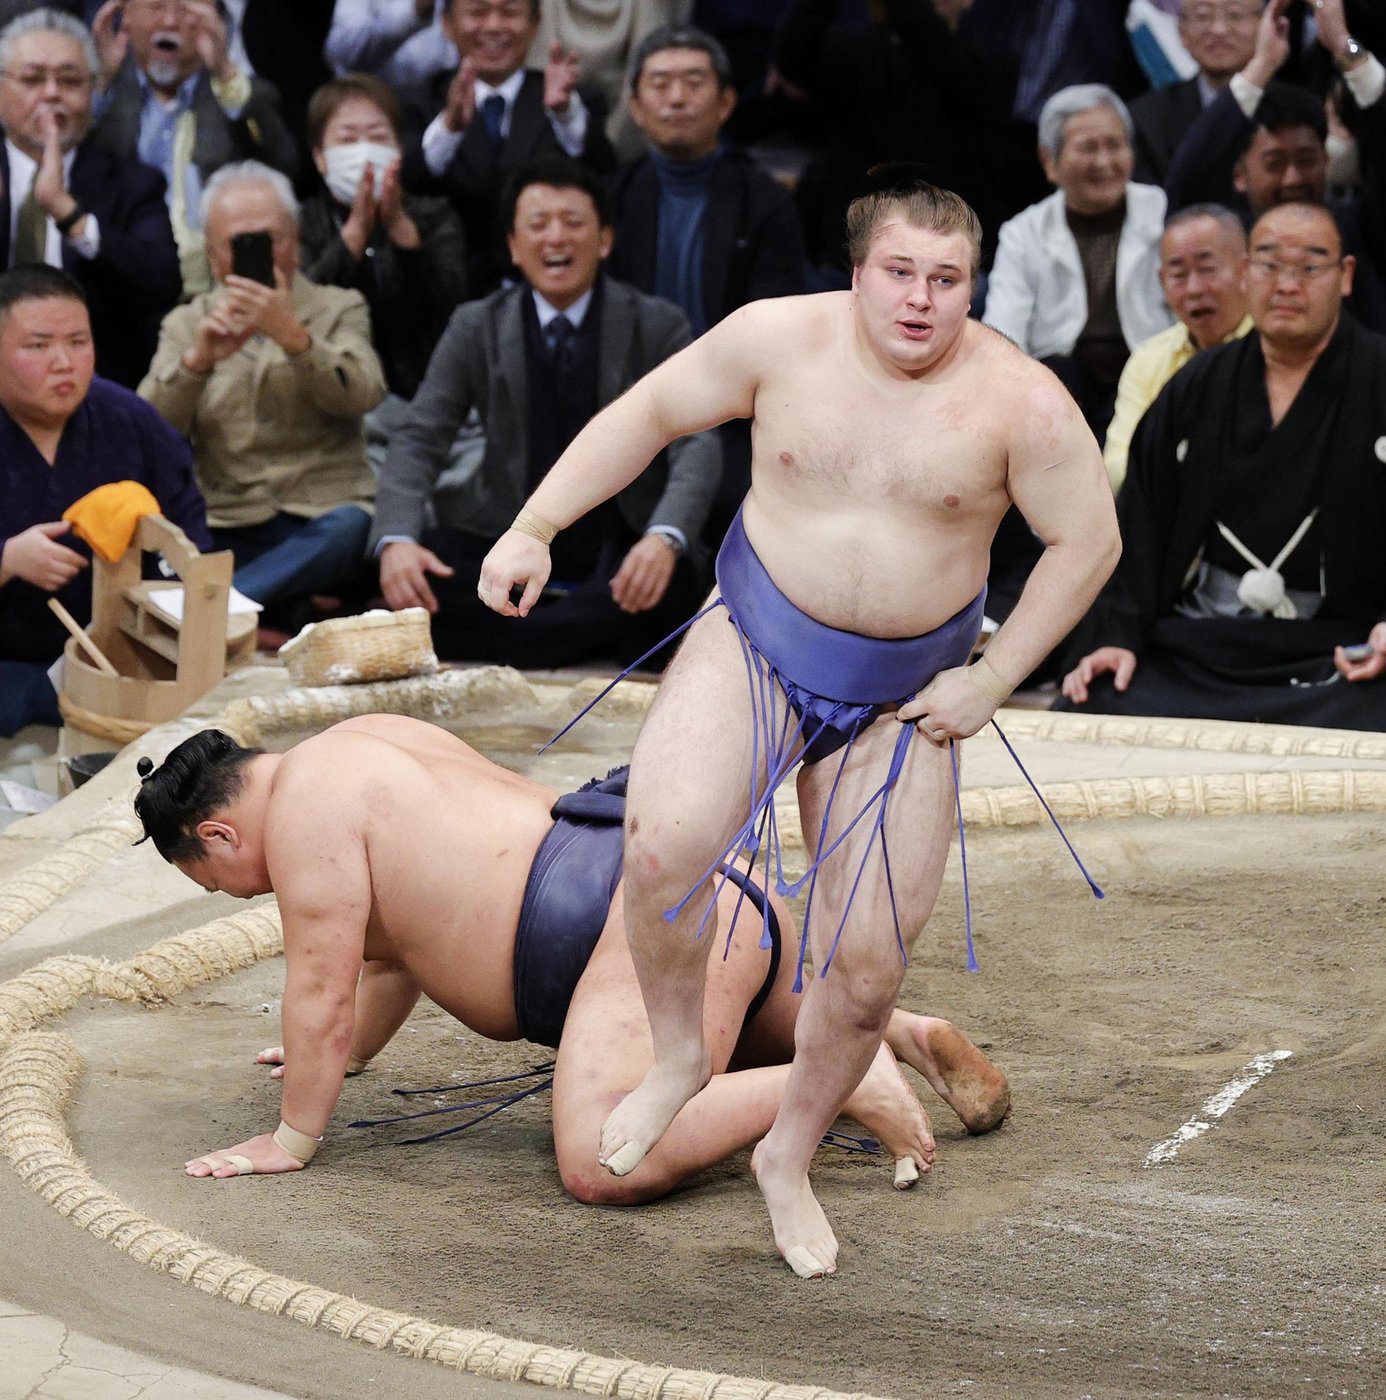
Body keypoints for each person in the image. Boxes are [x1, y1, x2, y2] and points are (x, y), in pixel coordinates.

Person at [476, 175, 1120, 1277]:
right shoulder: (778, 338)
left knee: (867, 965)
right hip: (758, 638)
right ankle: (680, 1053)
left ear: (975, 284)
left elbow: (1089, 540)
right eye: (900, 273)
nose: (921, 300)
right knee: (665, 841)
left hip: (908, 692)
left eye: (948, 279)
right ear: (858, 269)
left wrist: (997, 673)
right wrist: (535, 524)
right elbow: (648, 414)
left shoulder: (1022, 399)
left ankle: (788, 1149)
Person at [133, 718, 1011, 1202]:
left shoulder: (300, 820)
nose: (235, 894)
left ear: (216, 833)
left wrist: (291, 1137)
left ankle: (836, 1076)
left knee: (601, 1159)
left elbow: (318, 987)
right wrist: (350, 1053)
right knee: (730, 1035)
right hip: (698, 888)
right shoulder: (365, 742)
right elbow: (390, 953)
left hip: (619, 931)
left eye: (215, 879)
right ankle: (891, 1034)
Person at [373, 155, 717, 669]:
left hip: (621, 541)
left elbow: (699, 440)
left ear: (604, 240)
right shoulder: (475, 326)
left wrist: (663, 537)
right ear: (514, 247)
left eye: (573, 223)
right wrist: (395, 540)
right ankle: (582, 635)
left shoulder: (656, 325)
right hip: (509, 535)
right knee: (422, 569)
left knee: (679, 583)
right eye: (538, 225)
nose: (556, 238)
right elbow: (420, 436)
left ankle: (520, 640)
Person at [1059, 201, 1386, 729]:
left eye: (1309, 266)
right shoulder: (1196, 386)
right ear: (1245, 272)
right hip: (1204, 643)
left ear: (1345, 276)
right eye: (1270, 264)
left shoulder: (1379, 376)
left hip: (1337, 647)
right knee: (1099, 698)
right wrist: (1118, 637)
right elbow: (1140, 523)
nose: (1286, 284)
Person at [139, 161, 386, 623]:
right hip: (229, 519)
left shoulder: (339, 306)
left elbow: (364, 393)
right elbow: (148, 432)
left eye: (268, 239)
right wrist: (198, 363)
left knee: (355, 529)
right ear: (212, 257)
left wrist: (295, 339)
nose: (257, 253)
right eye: (238, 244)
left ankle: (209, 613)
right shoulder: (187, 324)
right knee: (169, 547)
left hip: (322, 514)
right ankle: (270, 607)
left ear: (294, 243)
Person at [608, 22, 804, 543]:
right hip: (625, 404)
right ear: (635, 105)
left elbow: (780, 331)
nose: (677, 97)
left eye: (694, 82)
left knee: (739, 504)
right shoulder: (615, 198)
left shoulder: (765, 202)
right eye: (660, 83)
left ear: (725, 102)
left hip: (732, 415)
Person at [0, 264, 209, 736]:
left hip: (122, 650)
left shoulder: (130, 419)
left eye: (78, 342)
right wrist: (8, 559)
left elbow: (190, 534)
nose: (63, 362)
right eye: (38, 345)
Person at [1163, 0, 1386, 327]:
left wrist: (1344, 45)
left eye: (1307, 160)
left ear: (1326, 162)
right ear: (1240, 174)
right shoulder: (1230, 237)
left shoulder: (1362, 227)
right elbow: (1188, 180)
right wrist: (1261, 65)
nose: (1292, 178)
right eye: (1274, 163)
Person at [983, 83, 1173, 442]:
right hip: (1062, 388)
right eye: (1088, 148)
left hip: (1150, 378)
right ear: (1049, 161)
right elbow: (1003, 334)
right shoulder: (1023, 232)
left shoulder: (1163, 213)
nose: (1104, 161)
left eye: (1115, 145)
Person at [0, 7, 180, 387]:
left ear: (92, 89)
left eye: (69, 81)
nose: (51, 94)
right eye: (32, 79)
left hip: (94, 387)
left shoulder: (133, 183)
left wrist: (70, 214)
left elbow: (160, 283)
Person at [87, 0, 298, 297]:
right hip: (126, 285)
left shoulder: (237, 95)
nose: (170, 22)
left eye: (186, 9)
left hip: (221, 288)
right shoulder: (107, 96)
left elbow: (285, 164)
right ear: (127, 19)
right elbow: (70, 162)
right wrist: (101, 80)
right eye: (156, 6)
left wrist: (225, 72)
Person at [411, 0, 616, 295]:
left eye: (509, 12)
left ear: (535, 23)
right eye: (478, 13)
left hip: (553, 290)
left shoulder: (570, 99)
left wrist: (565, 114)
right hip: (450, 294)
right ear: (447, 23)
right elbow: (411, 184)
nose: (494, 26)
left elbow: (604, 172)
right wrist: (449, 129)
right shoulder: (423, 101)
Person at [300, 74, 468, 406]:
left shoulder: (434, 215)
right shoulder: (302, 221)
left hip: (426, 396)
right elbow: (302, 307)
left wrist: (400, 229)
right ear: (320, 157)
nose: (364, 151)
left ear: (398, 149)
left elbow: (454, 307)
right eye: (348, 139)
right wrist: (355, 233)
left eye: (378, 137)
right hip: (337, 399)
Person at [1103, 203, 1252, 492]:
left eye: (1208, 269)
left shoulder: (1277, 347)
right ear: (1162, 281)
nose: (1194, 289)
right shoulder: (1148, 359)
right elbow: (1115, 467)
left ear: (1245, 269)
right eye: (1178, 275)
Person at [1129, 0, 1264, 185]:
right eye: (1203, 16)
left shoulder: (1294, 109)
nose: (1218, 30)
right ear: (1181, 31)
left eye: (1235, 15)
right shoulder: (1145, 118)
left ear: (1264, 26)